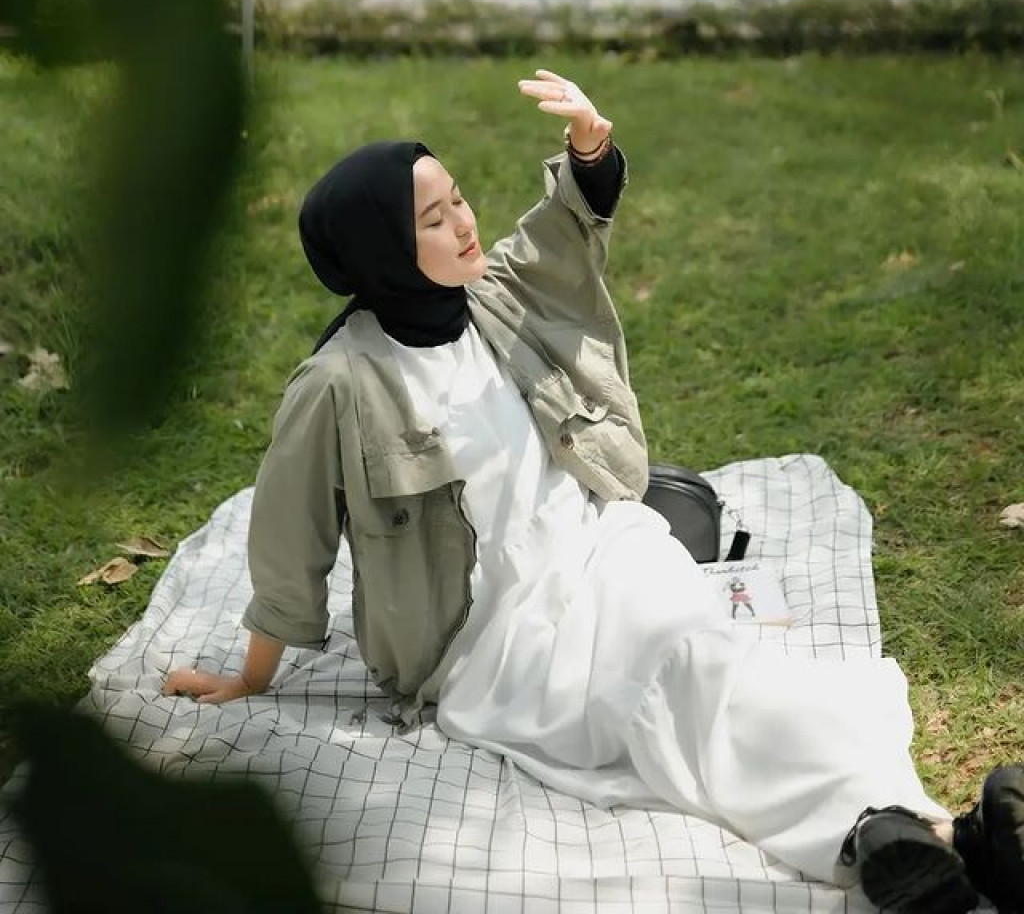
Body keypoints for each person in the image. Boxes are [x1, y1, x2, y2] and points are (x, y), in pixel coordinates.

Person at [164, 69, 1024, 914]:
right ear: (379, 251)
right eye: (432, 218)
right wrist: (250, 677)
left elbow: (565, 227)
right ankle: (930, 832)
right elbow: (290, 539)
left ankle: (904, 834)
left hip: (603, 547)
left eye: (458, 198)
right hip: (488, 643)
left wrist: (589, 145)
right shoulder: (340, 386)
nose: (465, 223)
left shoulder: (489, 295)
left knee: (709, 658)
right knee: (668, 681)